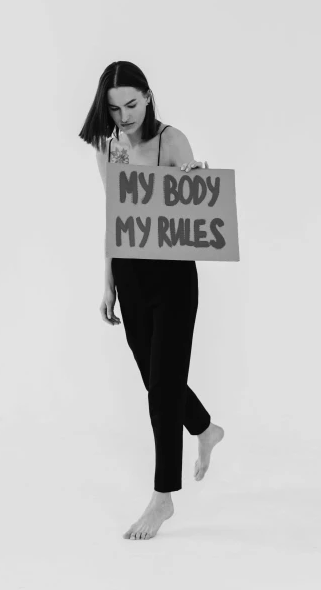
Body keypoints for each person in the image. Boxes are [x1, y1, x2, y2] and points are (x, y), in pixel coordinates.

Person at [78, 61, 225, 540]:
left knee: (162, 389)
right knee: (155, 380)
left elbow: (191, 197)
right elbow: (113, 214)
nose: (124, 116)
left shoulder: (170, 140)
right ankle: (204, 429)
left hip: (173, 277)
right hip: (130, 275)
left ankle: (163, 499)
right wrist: (107, 281)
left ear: (147, 95)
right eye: (114, 107)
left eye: (132, 104)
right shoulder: (108, 146)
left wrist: (197, 182)